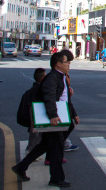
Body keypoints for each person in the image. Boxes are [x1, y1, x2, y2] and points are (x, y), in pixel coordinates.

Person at [12, 52, 78, 187]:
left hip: (61, 116)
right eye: (66, 62)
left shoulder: (61, 77)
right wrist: (53, 115)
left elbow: (65, 98)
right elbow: (49, 97)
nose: (68, 65)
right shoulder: (52, 78)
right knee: (57, 148)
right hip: (56, 119)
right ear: (58, 64)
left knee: (46, 145)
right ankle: (56, 178)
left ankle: (21, 167)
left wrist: (74, 114)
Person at [25, 68, 47, 155]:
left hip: (37, 115)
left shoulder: (35, 88)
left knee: (38, 134)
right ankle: (30, 150)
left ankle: (32, 150)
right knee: (36, 134)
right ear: (42, 78)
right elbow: (32, 105)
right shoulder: (38, 89)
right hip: (36, 115)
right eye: (45, 76)